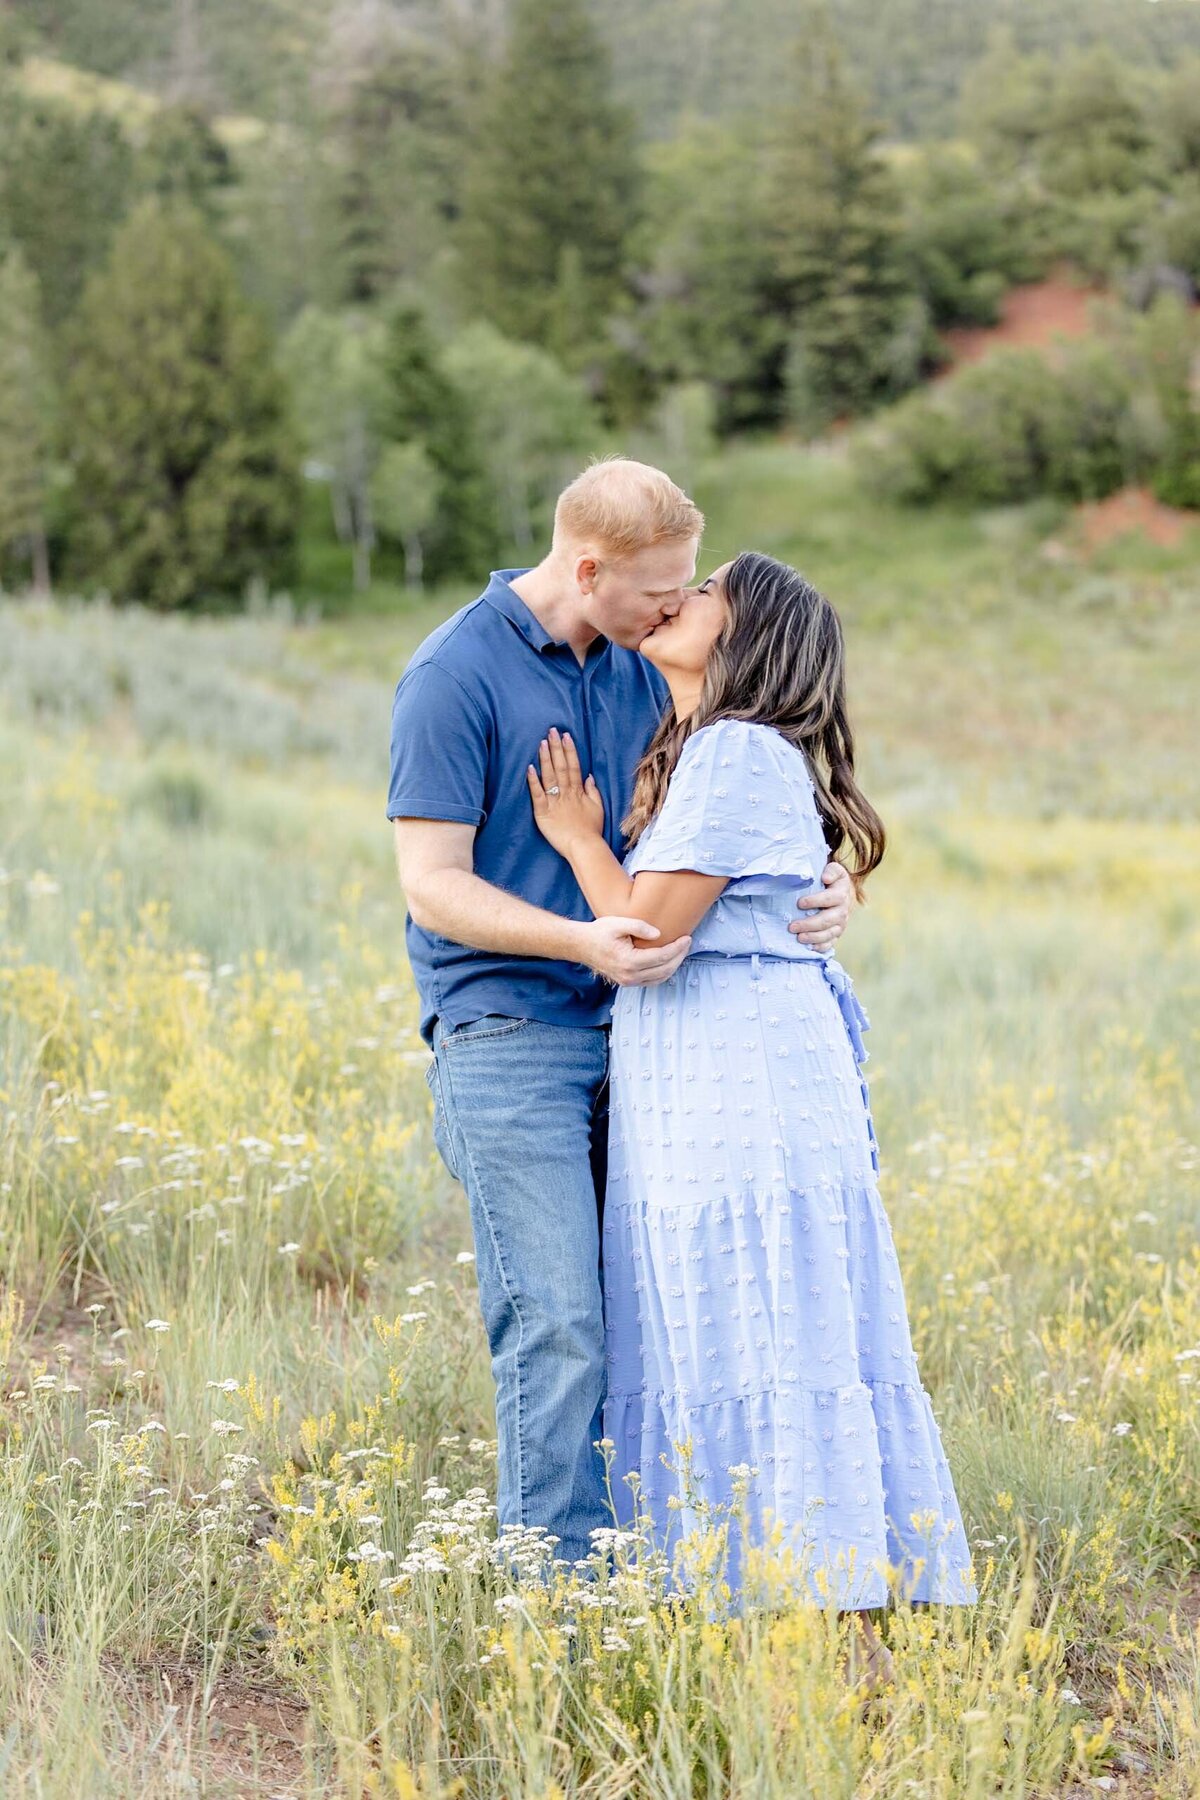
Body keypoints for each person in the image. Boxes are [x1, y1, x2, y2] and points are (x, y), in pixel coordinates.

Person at [387, 460, 855, 1572]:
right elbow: (432, 884)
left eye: (689, 588)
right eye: (661, 588)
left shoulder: (655, 665)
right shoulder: (456, 674)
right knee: (557, 1317)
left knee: (651, 1323)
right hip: (511, 1030)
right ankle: (558, 1590)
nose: (678, 606)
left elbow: (739, 804)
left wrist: (832, 884)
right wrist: (581, 941)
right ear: (588, 567)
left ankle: (658, 1560)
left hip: (659, 1047)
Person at [526, 550, 978, 1674]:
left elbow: (646, 933)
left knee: (765, 1323)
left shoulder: (731, 752)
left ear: (750, 633)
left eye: (711, 587)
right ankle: (806, 1635)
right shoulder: (710, 753)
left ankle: (834, 1646)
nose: (684, 597)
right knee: (749, 1323)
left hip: (744, 1086)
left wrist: (580, 841)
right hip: (714, 1074)